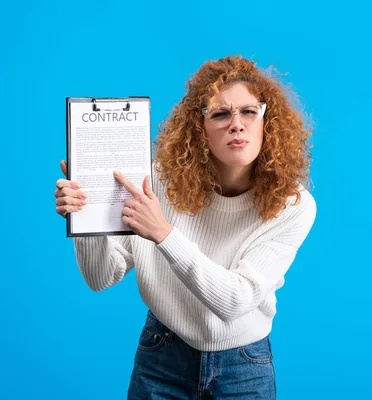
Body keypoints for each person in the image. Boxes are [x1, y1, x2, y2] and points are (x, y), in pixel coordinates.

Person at [54, 55, 316, 399]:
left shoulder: (293, 204)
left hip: (244, 365)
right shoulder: (155, 182)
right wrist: (86, 216)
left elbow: (236, 300)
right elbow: (100, 277)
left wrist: (163, 233)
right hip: (162, 353)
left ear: (268, 122)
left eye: (249, 111)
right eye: (220, 114)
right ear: (199, 128)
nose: (236, 124)